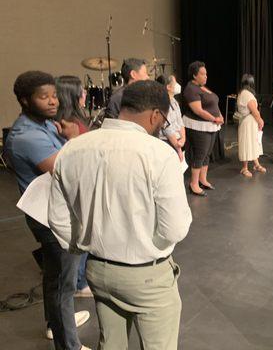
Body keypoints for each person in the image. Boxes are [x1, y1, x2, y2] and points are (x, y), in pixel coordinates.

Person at [48, 81, 192, 350]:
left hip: (98, 271)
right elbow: (175, 228)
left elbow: (57, 217)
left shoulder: (73, 149)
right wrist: (148, 247)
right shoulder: (159, 154)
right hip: (147, 276)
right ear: (155, 115)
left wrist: (82, 246)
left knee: (111, 344)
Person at [4, 71, 91, 350]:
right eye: (44, 97)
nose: (53, 102)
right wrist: (75, 139)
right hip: (51, 219)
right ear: (24, 100)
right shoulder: (28, 136)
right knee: (63, 286)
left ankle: (56, 327)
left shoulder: (44, 125)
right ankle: (69, 345)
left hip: (56, 211)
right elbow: (68, 170)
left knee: (55, 280)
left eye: (54, 95)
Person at [55, 75, 92, 298]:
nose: (85, 95)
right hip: (76, 187)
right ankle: (78, 283)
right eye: (82, 91)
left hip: (83, 185)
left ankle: (80, 279)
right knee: (78, 238)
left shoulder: (75, 118)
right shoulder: (67, 122)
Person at [182, 61, 224, 196]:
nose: (206, 76)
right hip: (199, 126)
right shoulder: (191, 89)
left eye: (206, 74)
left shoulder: (203, 87)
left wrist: (221, 116)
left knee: (207, 155)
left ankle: (203, 180)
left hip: (211, 126)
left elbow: (214, 104)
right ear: (194, 75)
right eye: (202, 74)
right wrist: (214, 119)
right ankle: (193, 184)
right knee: (200, 155)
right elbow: (198, 110)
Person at [236, 74, 266, 177]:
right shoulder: (247, 94)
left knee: (253, 142)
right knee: (247, 143)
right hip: (248, 122)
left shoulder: (243, 93)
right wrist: (260, 120)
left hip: (249, 122)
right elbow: (254, 111)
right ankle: (244, 168)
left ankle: (256, 164)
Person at [156, 74, 186, 162]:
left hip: (177, 141)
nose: (177, 85)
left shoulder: (174, 101)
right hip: (166, 142)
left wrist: (183, 139)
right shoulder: (161, 103)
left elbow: (180, 122)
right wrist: (178, 148)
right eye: (175, 82)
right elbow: (167, 128)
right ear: (168, 87)